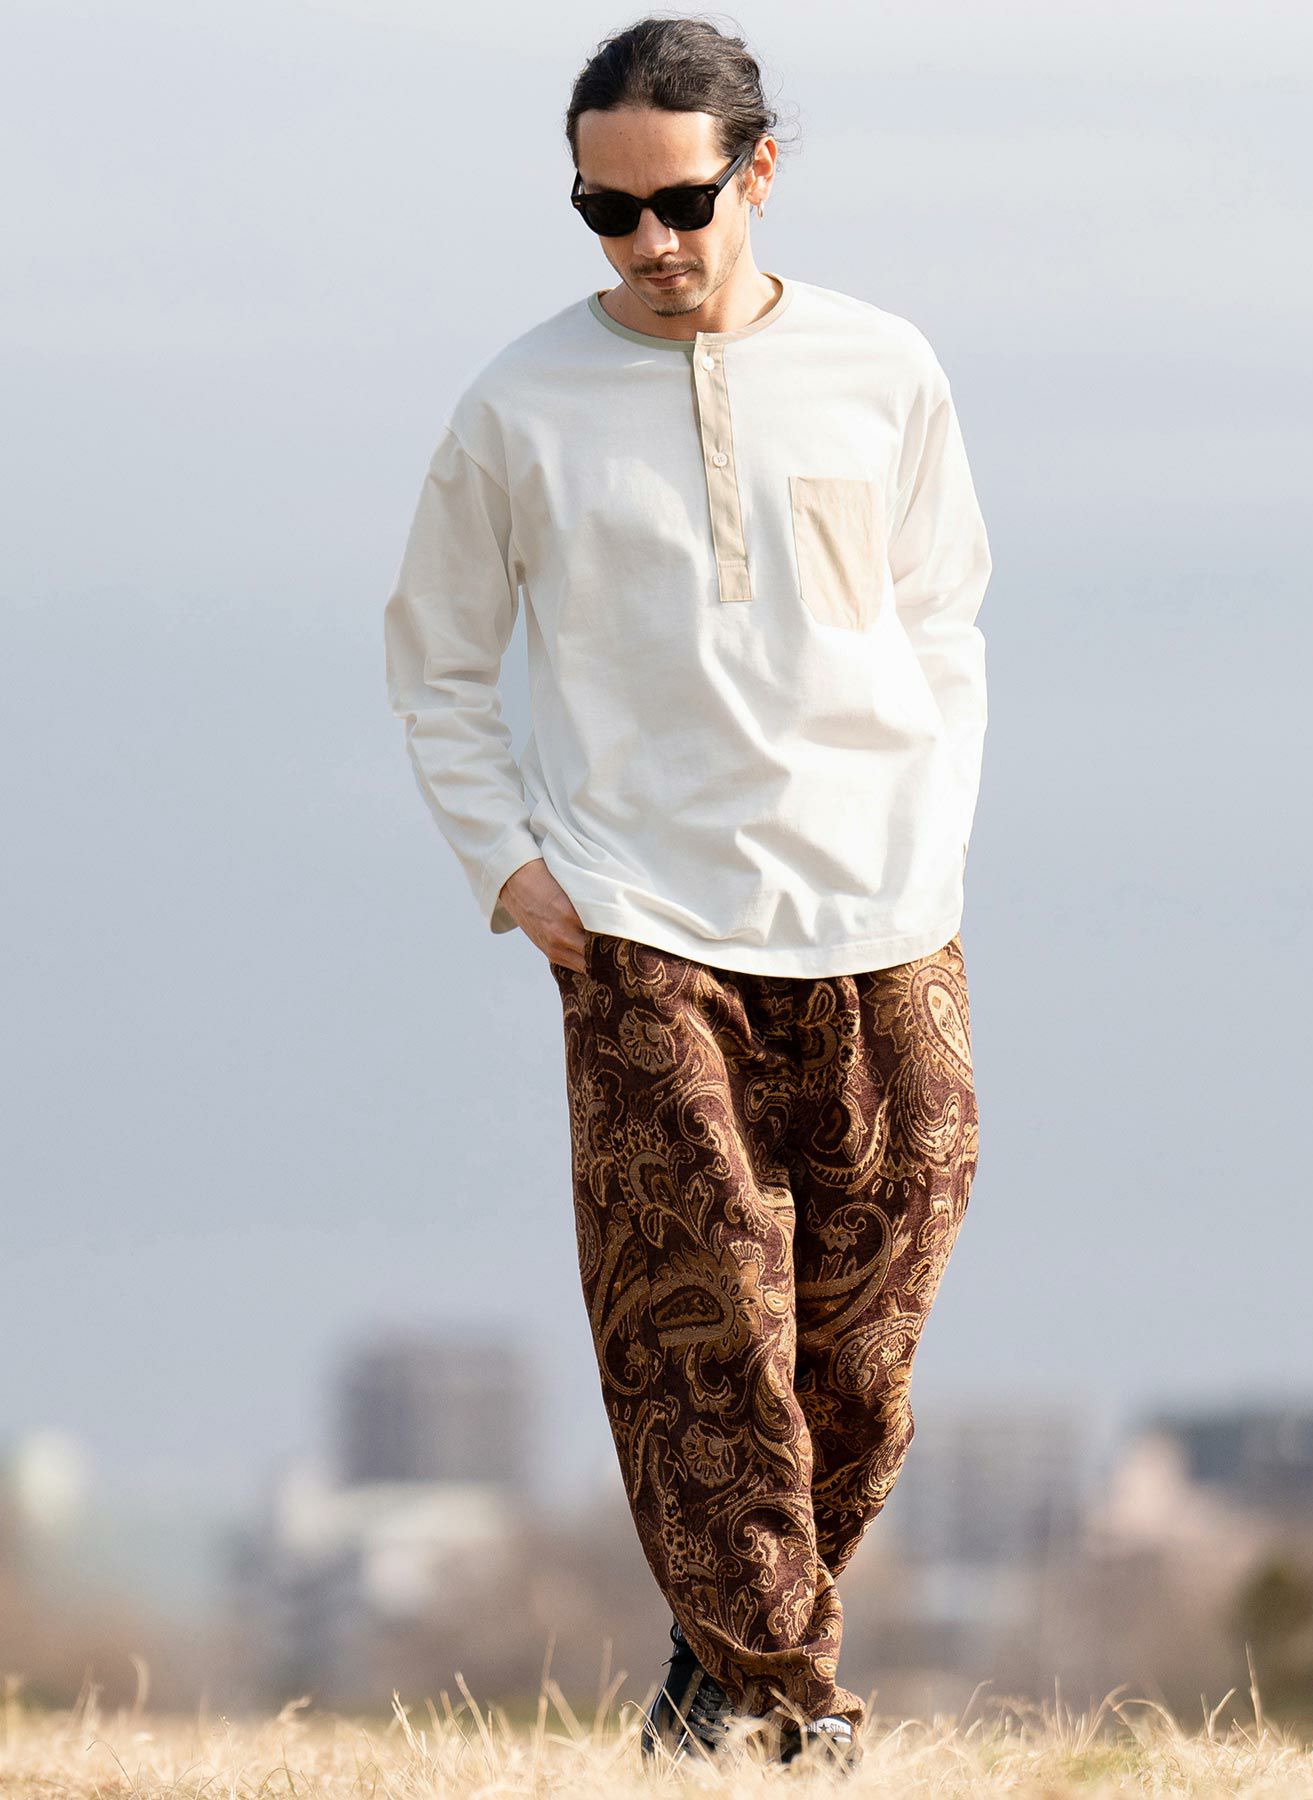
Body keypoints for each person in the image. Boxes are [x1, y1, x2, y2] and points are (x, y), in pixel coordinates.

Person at [382, 14, 992, 1774]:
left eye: (680, 203)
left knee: (865, 1340)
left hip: (886, 907)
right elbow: (436, 661)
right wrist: (510, 867)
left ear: (761, 171)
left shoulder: (886, 368)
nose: (647, 242)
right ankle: (792, 1703)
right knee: (703, 1310)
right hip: (641, 920)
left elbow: (943, 617)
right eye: (606, 211)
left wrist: (933, 832)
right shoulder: (517, 405)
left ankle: (715, 1659)